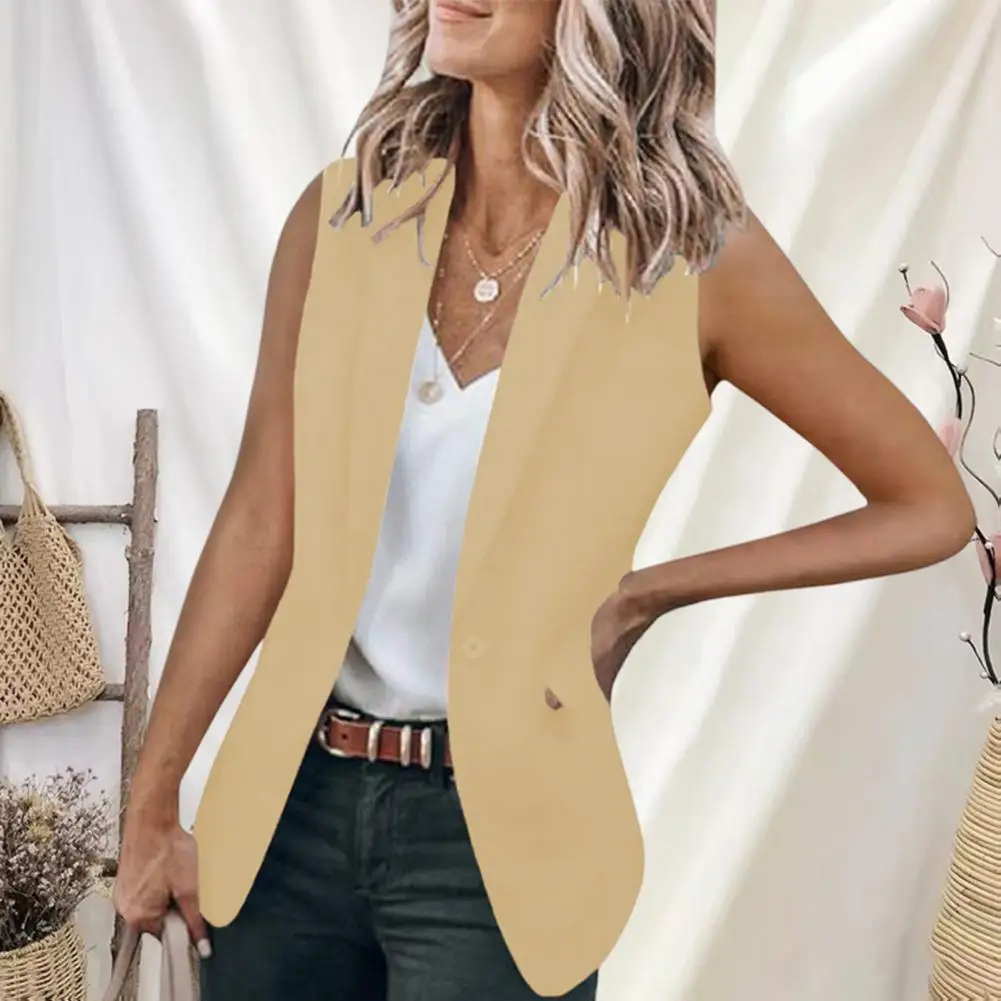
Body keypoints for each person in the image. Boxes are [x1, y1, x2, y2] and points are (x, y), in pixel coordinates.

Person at [111, 1, 976, 999]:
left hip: (499, 850)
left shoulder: (688, 259)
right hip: (287, 814)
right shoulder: (345, 217)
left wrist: (649, 591)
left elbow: (925, 502)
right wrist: (154, 798)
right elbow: (261, 516)